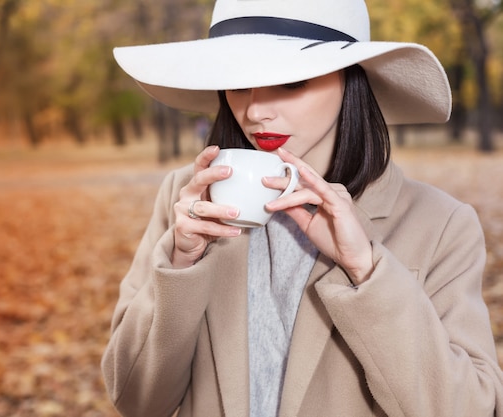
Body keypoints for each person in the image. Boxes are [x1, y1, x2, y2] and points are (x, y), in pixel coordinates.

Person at [101, 0, 503, 416]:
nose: (255, 110)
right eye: (239, 83)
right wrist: (182, 263)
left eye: (290, 81)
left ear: (350, 80)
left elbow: (470, 408)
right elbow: (136, 400)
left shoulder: (439, 224)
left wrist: (366, 270)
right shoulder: (186, 200)